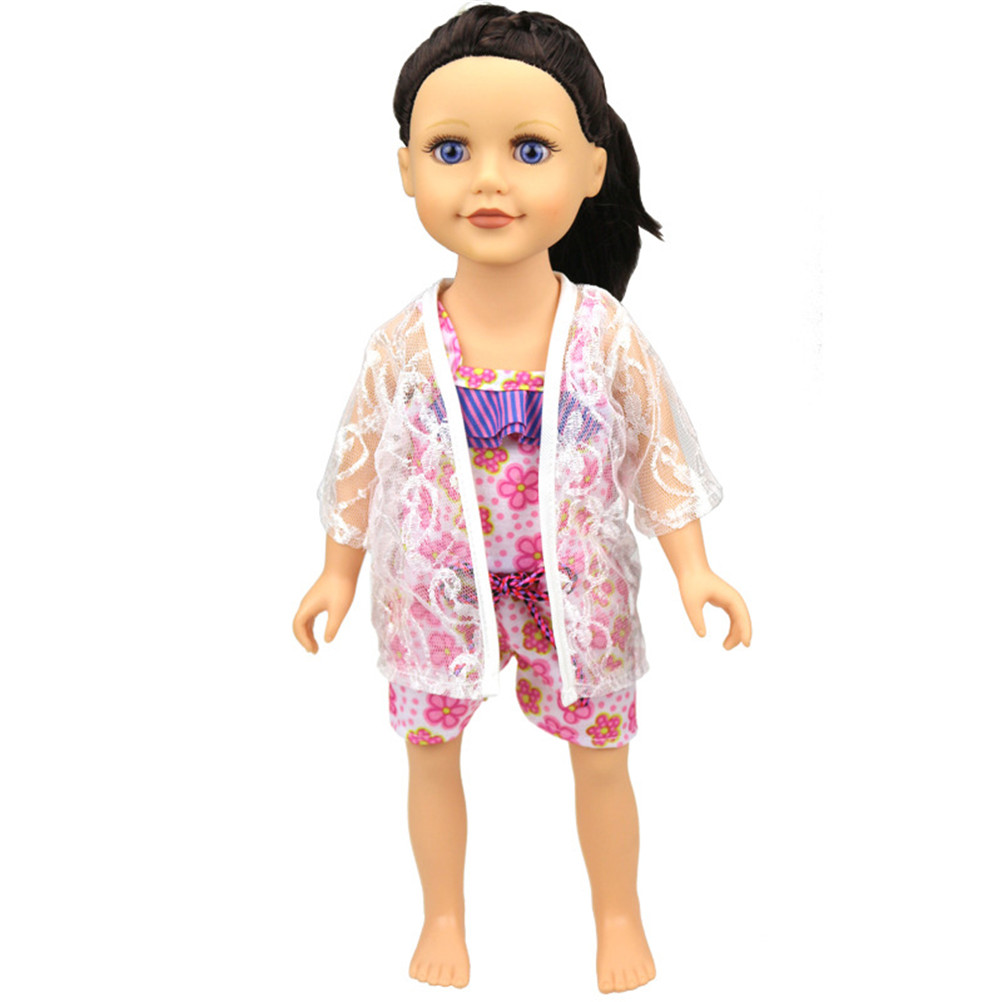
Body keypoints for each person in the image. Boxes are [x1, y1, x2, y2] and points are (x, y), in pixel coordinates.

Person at [293, 5, 752, 993]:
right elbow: (360, 456)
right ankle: (442, 915)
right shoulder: (403, 344)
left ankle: (618, 914)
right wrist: (337, 572)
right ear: (407, 168)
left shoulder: (604, 333)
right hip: (436, 586)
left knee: (602, 757)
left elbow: (658, 450)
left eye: (530, 150)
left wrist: (696, 567)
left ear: (591, 168)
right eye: (451, 149)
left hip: (575, 586)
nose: (489, 180)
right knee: (429, 751)